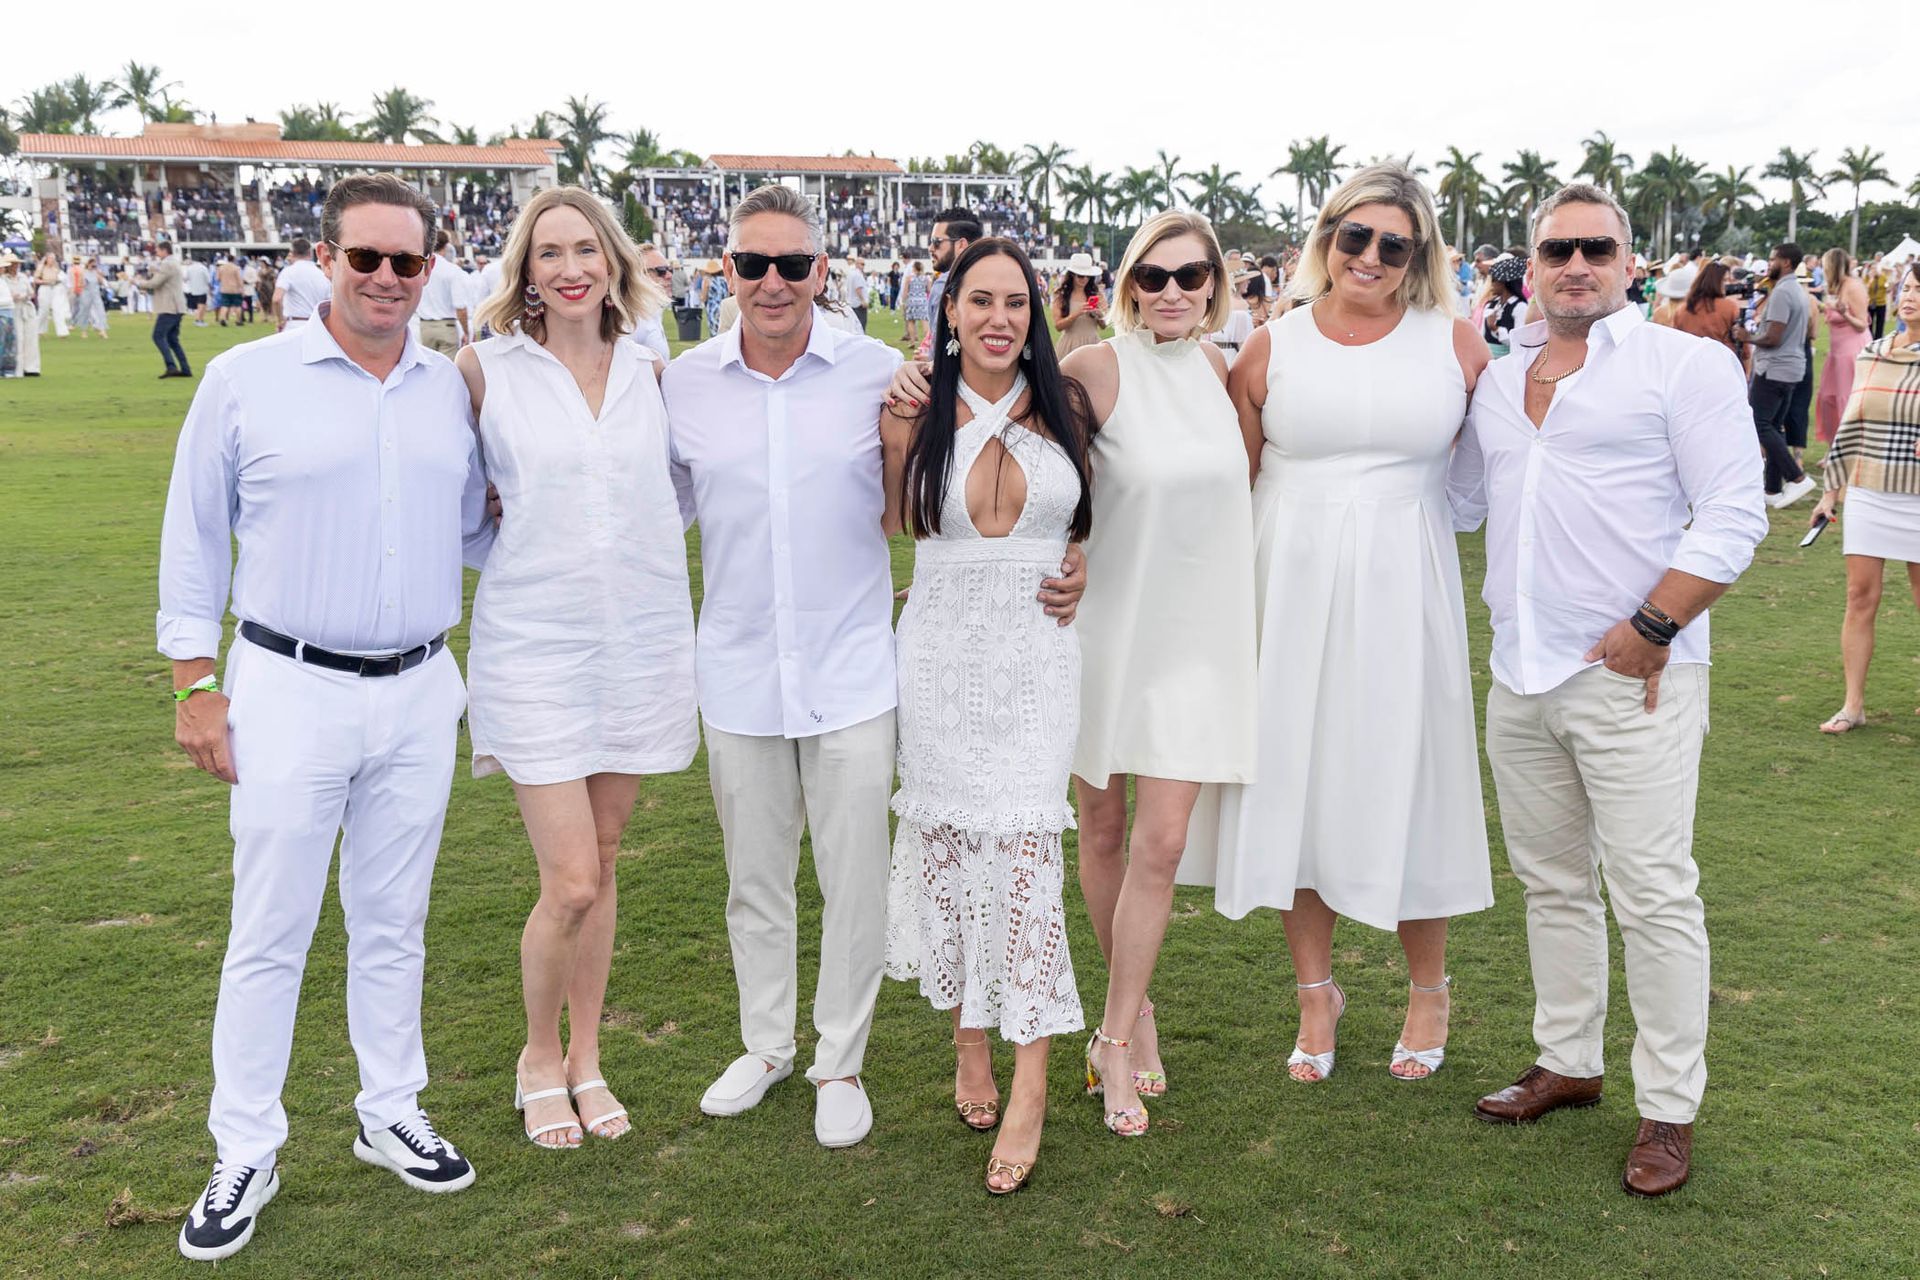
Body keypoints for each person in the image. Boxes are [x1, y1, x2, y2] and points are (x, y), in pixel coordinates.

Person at [160, 173, 491, 1262]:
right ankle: (243, 1144)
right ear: (324, 259)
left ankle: (388, 1106)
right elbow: (195, 534)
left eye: (407, 262)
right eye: (367, 259)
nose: (388, 279)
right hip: (287, 683)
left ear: (430, 268)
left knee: (394, 918)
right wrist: (193, 681)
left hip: (418, 682)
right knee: (272, 928)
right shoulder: (247, 378)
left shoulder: (450, 387)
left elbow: (480, 531)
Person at [1448, 183, 1766, 1198]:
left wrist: (1653, 625)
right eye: (1556, 250)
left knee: (1655, 890)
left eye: (1596, 248)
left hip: (1637, 675)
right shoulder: (1497, 386)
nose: (1575, 264)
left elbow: (1733, 510)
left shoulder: (1686, 365)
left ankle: (1668, 1107)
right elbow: (1456, 500)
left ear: (1629, 262)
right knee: (1550, 880)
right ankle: (1569, 1059)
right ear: (1529, 267)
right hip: (1520, 670)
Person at [1199, 163, 1494, 1086]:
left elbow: (1488, 485)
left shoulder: (1460, 348)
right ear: (1326, 240)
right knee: (1298, 782)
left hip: (1407, 590)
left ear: (1419, 255)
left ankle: (1429, 987)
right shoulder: (1269, 346)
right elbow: (1227, 488)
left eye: (1392, 243)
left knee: (1416, 778)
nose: (1368, 256)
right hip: (1285, 593)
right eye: (1352, 236)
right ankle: (1315, 993)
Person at [662, 184, 903, 1151]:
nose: (772, 282)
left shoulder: (878, 371)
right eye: (752, 264)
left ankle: (838, 1059)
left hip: (850, 669)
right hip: (738, 668)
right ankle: (765, 1045)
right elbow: (650, 513)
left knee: (856, 875)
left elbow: (933, 493)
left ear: (822, 273)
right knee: (754, 877)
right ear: (725, 270)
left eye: (792, 265)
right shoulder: (685, 382)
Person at [458, 188, 698, 1150]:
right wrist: (524, 540)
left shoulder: (653, 372)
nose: (569, 268)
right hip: (533, 645)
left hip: (639, 639)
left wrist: (618, 546)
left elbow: (677, 492)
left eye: (585, 250)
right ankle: (535, 1057)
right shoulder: (482, 370)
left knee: (602, 866)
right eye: (548, 252)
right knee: (568, 880)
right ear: (524, 268)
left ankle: (588, 1056)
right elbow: (457, 504)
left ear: (613, 264)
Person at [879, 237, 1096, 1194]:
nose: (999, 318)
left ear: (1035, 313)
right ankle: (970, 1035)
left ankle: (1033, 1080)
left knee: (1023, 865)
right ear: (950, 310)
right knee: (956, 847)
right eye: (980, 301)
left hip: (1038, 664)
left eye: (1016, 302)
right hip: (939, 660)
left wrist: (1080, 565)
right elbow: (895, 523)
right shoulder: (914, 410)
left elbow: (1080, 527)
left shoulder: (1068, 406)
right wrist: (897, 426)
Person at [1808, 261, 1920, 733]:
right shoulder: (1872, 352)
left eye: (1919, 289)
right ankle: (1853, 705)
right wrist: (1830, 493)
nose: (1909, 295)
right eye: (1907, 287)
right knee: (1859, 597)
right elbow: (1851, 426)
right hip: (1870, 490)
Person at [1748, 243, 1818, 507]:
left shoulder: (1781, 293)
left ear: (1786, 263)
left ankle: (1797, 478)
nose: (1769, 264)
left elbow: (1773, 336)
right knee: (1774, 426)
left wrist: (1749, 337)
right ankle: (1772, 489)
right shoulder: (1797, 290)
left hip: (1774, 367)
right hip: (1791, 368)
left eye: (1772, 259)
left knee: (1759, 424)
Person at [1816, 248, 1872, 445]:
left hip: (1852, 351)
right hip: (1836, 352)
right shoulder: (1835, 287)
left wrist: (1844, 314)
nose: (1822, 269)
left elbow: (1862, 324)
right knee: (1827, 399)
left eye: (1824, 265)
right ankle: (1834, 447)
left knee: (1846, 400)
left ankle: (1850, 447)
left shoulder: (1854, 286)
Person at [1672, 262, 1750, 366]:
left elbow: (1675, 343)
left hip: (1691, 364)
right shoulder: (1730, 307)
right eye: (1725, 280)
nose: (1729, 284)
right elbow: (1745, 350)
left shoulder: (1682, 309)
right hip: (1721, 364)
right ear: (1715, 281)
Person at [133, 241, 190, 379]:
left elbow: (155, 283)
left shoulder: (167, 264)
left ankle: (171, 366)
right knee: (172, 339)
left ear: (165, 250)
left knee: (158, 336)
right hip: (176, 305)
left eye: (158, 251)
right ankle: (185, 368)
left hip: (169, 306)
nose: (156, 253)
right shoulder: (173, 263)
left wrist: (138, 282)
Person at [417, 231, 465, 355]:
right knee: (446, 371)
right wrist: (466, 331)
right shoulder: (452, 270)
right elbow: (460, 306)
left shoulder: (421, 268)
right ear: (446, 245)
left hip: (425, 326)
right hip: (446, 326)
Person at [1051, 252, 1104, 357]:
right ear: (1072, 275)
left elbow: (1104, 326)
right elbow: (1058, 326)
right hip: (1070, 345)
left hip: (1092, 344)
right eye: (1080, 276)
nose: (1084, 279)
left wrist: (1098, 314)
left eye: (1088, 276)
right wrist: (1075, 314)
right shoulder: (1061, 296)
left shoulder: (1097, 294)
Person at [273, 238, 331, 329]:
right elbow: (329, 304)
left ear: (292, 252)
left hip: (294, 324)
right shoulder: (322, 274)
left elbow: (277, 299)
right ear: (310, 253)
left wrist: (280, 320)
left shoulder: (288, 272)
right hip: (316, 325)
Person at [630, 242, 674, 362]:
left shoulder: (651, 313)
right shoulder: (632, 321)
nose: (669, 275)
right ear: (638, 275)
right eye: (661, 271)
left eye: (670, 270)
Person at [1482, 253, 1530, 356]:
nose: (1491, 284)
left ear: (1504, 283)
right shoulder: (1490, 305)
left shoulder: (1519, 307)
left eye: (1494, 280)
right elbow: (1482, 336)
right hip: (1487, 361)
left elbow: (1518, 343)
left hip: (1508, 363)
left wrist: (1495, 329)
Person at [2, 253, 33, 376]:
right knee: (16, 339)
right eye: (12, 264)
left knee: (29, 339)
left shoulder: (23, 277)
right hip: (10, 310)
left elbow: (31, 292)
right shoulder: (3, 279)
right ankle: (16, 370)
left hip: (25, 308)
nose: (15, 266)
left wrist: (26, 296)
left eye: (16, 264)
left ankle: (30, 368)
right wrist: (12, 297)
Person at [34, 252, 71, 338]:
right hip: (45, 288)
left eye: (53, 258)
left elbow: (61, 278)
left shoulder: (56, 268)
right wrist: (45, 281)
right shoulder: (41, 268)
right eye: (50, 258)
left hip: (55, 288)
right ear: (47, 259)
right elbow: (36, 280)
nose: (52, 260)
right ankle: (39, 331)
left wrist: (58, 281)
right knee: (44, 311)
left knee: (58, 310)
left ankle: (62, 332)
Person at [72, 257, 109, 338]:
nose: (93, 266)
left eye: (94, 265)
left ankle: (102, 330)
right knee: (85, 312)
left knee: (101, 311)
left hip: (96, 294)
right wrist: (83, 284)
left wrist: (100, 275)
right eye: (92, 264)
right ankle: (84, 331)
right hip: (86, 294)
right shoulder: (83, 273)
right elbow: (80, 284)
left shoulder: (96, 273)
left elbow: (102, 282)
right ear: (88, 264)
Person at [901, 260, 932, 349]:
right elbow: (929, 290)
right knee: (925, 322)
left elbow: (905, 291)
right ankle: (927, 342)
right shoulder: (926, 278)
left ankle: (912, 342)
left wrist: (903, 301)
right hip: (922, 301)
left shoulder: (909, 278)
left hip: (911, 301)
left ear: (914, 268)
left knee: (911, 322)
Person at [215, 255, 246, 326]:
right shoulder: (236, 268)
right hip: (235, 289)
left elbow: (217, 278)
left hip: (224, 289)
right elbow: (239, 279)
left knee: (224, 305)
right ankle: (238, 320)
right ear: (234, 260)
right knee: (237, 305)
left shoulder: (221, 268)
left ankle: (223, 319)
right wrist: (242, 289)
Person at [183, 254, 212, 326]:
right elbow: (208, 280)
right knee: (202, 306)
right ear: (203, 261)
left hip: (192, 290)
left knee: (197, 307)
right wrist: (210, 289)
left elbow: (185, 279)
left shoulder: (190, 268)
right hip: (202, 290)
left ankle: (198, 320)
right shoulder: (203, 268)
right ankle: (199, 320)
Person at [844, 254, 870, 331]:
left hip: (852, 302)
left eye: (864, 264)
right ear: (857, 264)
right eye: (862, 264)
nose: (863, 266)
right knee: (861, 324)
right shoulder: (857, 274)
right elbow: (858, 288)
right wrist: (863, 300)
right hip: (859, 304)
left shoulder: (851, 273)